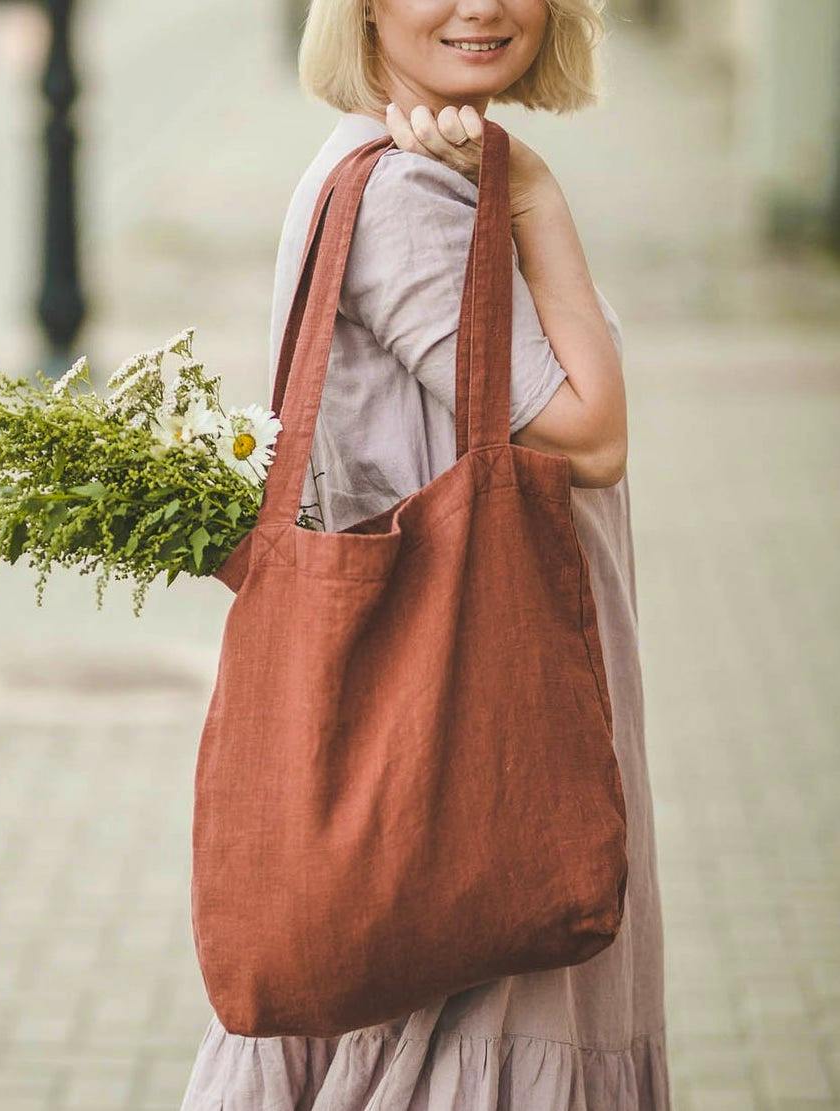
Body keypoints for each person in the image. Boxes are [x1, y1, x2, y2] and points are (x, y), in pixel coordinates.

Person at [181, 0, 671, 1106]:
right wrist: (537, 195)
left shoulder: (386, 169)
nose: (482, 5)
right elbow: (590, 434)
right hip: (476, 711)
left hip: (459, 694)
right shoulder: (407, 196)